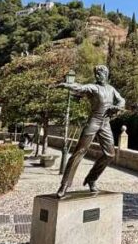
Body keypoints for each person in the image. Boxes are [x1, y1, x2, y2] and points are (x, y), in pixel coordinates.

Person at [54, 65, 125, 198]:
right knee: (79, 152)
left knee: (110, 154)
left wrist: (117, 107)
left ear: (106, 75)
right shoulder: (93, 87)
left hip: (105, 124)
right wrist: (67, 85)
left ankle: (91, 179)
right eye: (96, 74)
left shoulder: (111, 89)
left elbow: (122, 100)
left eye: (100, 74)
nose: (97, 76)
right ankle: (64, 185)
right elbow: (80, 87)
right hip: (93, 121)